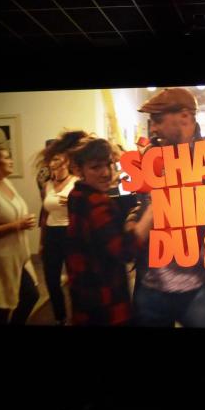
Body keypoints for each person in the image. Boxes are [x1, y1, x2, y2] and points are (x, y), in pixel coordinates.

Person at [129, 87, 205, 328]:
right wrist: (133, 219)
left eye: (158, 120)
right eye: (151, 122)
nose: (153, 129)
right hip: (150, 287)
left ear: (184, 116)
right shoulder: (150, 157)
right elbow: (141, 205)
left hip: (198, 288)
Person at [64, 137, 144, 326]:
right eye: (95, 167)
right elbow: (125, 251)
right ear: (79, 170)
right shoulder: (96, 202)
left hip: (85, 295)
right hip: (106, 300)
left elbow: (97, 240)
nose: (106, 173)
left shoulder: (76, 195)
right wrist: (149, 216)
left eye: (108, 164)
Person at [35, 130, 87, 325]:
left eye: (56, 158)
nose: (52, 162)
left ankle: (79, 315)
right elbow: (45, 213)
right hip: (51, 234)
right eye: (51, 159)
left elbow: (85, 211)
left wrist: (73, 203)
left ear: (66, 160)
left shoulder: (76, 183)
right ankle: (60, 317)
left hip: (70, 233)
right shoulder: (47, 185)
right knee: (51, 278)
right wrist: (41, 242)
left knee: (75, 279)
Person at [0, 143, 39, 324]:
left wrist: (23, 221)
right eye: (6, 157)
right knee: (2, 307)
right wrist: (17, 225)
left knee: (30, 296)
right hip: (1, 259)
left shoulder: (6, 182)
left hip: (19, 256)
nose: (11, 161)